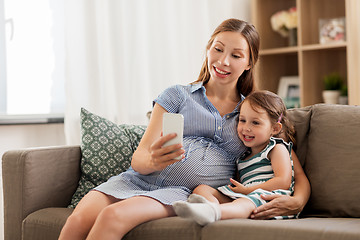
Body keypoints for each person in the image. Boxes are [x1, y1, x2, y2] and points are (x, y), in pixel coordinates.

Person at [59, 18, 310, 240]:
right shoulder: (177, 95)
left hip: (183, 193)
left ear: (249, 62)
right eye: (218, 49)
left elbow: (288, 160)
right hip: (137, 179)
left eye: (236, 55)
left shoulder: (253, 113)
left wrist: (297, 201)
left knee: (112, 216)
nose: (223, 61)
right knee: (78, 219)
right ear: (208, 49)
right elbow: (139, 159)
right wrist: (154, 160)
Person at [172, 90, 299, 225]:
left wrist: (247, 190)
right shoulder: (243, 156)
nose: (246, 128)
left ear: (274, 128)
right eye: (242, 120)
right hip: (246, 195)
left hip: (270, 197)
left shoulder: (276, 148)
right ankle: (209, 208)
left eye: (255, 123)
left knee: (245, 203)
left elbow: (283, 181)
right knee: (202, 189)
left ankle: (215, 212)